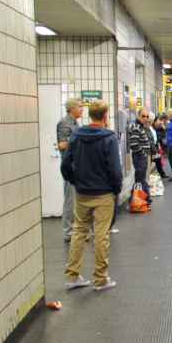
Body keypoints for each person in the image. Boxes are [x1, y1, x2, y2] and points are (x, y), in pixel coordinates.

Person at [62, 100, 123, 291]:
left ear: (89, 114)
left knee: (79, 232)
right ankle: (100, 278)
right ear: (105, 116)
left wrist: (75, 181)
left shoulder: (76, 135)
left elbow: (65, 165)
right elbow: (114, 168)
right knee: (101, 235)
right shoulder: (109, 138)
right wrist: (116, 188)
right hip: (104, 193)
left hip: (82, 192)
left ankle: (72, 276)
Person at [57, 98, 85, 241]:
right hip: (70, 166)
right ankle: (69, 232)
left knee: (78, 200)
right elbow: (62, 144)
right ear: (71, 108)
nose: (82, 109)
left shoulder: (75, 124)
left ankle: (77, 229)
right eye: (80, 107)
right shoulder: (64, 123)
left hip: (78, 165)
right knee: (70, 200)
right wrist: (77, 140)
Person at [128, 108, 156, 193]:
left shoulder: (141, 126)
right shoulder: (137, 127)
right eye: (143, 116)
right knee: (140, 179)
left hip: (141, 156)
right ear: (138, 116)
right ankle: (140, 199)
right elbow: (133, 143)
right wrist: (143, 152)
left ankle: (141, 199)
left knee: (141, 178)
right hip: (139, 157)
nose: (145, 118)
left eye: (147, 116)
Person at [152, 113, 169, 178]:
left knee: (158, 160)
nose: (160, 121)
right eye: (159, 120)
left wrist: (162, 125)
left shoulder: (156, 127)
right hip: (156, 146)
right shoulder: (153, 128)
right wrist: (158, 145)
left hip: (157, 145)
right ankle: (161, 173)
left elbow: (163, 129)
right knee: (157, 160)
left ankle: (162, 173)